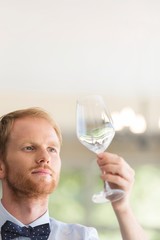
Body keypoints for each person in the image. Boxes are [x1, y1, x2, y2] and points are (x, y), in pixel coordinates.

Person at [0, 107, 148, 240]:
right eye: (29, 148)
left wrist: (122, 208)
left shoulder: (82, 237)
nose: (45, 158)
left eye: (52, 149)